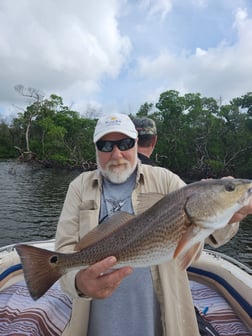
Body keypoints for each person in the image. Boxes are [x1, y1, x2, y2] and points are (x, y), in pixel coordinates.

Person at [55, 113, 252, 336]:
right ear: (96, 149)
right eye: (106, 145)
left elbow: (213, 235)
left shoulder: (166, 180)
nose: (116, 153)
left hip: (159, 320)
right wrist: (80, 283)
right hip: (96, 323)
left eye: (125, 143)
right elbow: (63, 252)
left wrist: (233, 213)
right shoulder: (79, 187)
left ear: (137, 143)